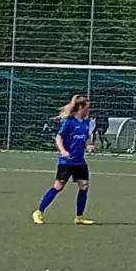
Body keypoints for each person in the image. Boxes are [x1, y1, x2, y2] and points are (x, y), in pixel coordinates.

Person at [34, 95, 95, 225]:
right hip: (66, 162)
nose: (89, 111)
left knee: (84, 185)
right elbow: (59, 138)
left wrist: (88, 145)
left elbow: (86, 137)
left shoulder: (86, 122)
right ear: (80, 107)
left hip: (80, 161)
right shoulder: (69, 122)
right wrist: (63, 151)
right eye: (87, 108)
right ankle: (39, 212)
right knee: (58, 186)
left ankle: (79, 217)